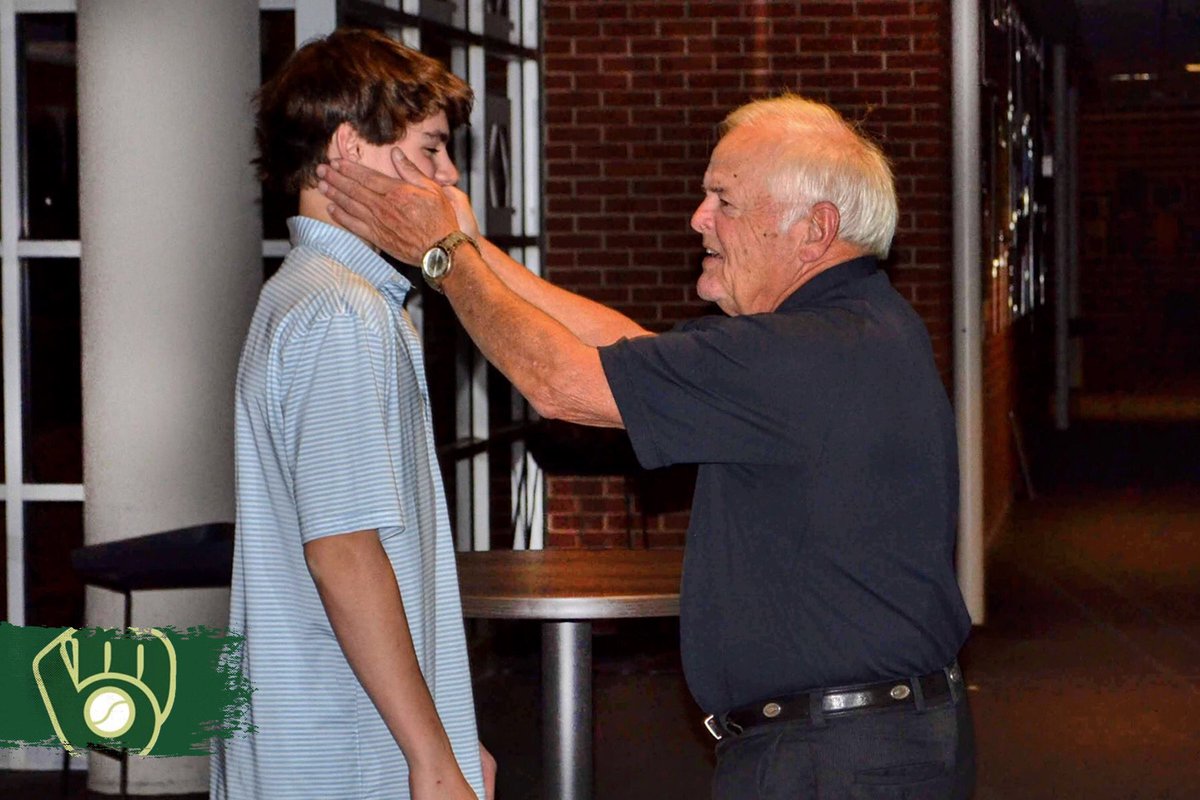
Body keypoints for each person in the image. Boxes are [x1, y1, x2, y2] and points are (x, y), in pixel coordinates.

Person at [317, 93, 975, 799]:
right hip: (866, 742)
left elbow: (561, 382)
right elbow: (625, 351)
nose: (699, 219)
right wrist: (478, 256)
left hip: (835, 760)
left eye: (722, 199)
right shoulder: (849, 327)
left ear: (814, 229)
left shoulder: (800, 353)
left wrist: (444, 258)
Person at [211, 29, 493, 800]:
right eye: (432, 149)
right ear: (350, 147)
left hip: (345, 736)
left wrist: (453, 735)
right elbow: (343, 554)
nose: (450, 175)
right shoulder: (340, 310)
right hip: (348, 751)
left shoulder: (313, 294)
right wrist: (433, 758)